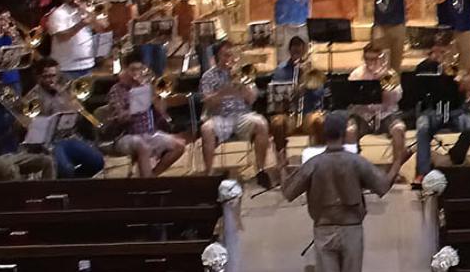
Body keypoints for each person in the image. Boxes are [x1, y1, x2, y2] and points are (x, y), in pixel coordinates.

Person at [280, 111, 402, 272]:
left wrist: (282, 166)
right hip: (352, 229)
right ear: (345, 133)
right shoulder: (355, 161)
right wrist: (398, 162)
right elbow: (382, 186)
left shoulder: (314, 163)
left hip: (323, 230)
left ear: (324, 134)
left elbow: (288, 192)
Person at [198, 40, 276, 184]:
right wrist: (222, 92)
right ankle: (208, 174)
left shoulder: (243, 72)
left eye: (231, 54)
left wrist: (243, 87)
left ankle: (260, 170)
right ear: (216, 58)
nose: (229, 58)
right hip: (219, 116)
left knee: (262, 123)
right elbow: (207, 102)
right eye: (225, 55)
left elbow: (252, 99)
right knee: (206, 129)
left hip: (242, 115)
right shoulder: (208, 76)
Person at [411, 31, 470, 182]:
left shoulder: (456, 68)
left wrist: (461, 80)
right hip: (433, 111)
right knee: (422, 127)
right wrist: (438, 71)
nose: (439, 54)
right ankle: (423, 172)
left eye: (442, 51)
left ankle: (454, 158)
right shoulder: (424, 67)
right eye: (436, 51)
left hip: (455, 111)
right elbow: (419, 93)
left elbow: (463, 95)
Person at [105, 52, 187, 177]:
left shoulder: (148, 87)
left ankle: (151, 177)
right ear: (125, 70)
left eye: (140, 69)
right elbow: (119, 119)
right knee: (142, 146)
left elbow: (163, 115)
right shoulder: (117, 90)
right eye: (132, 70)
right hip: (125, 136)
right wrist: (135, 106)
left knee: (179, 145)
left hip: (149, 132)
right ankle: (147, 184)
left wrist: (156, 99)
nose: (136, 73)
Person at [24, 56, 107, 178]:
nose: (51, 80)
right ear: (38, 77)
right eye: (46, 76)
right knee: (66, 169)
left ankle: (75, 184)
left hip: (69, 137)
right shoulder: (32, 98)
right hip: (49, 142)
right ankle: (67, 188)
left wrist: (72, 104)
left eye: (53, 76)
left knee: (97, 161)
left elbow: (76, 118)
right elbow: (30, 125)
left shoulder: (64, 91)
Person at [267, 36, 342, 161]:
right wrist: (292, 91)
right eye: (294, 50)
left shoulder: (312, 70)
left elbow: (321, 95)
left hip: (308, 114)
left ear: (304, 51)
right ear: (289, 51)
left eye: (300, 50)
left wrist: (307, 85)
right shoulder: (280, 70)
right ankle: (281, 160)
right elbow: (275, 94)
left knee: (320, 121)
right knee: (277, 123)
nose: (297, 53)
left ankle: (321, 158)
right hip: (288, 115)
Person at [346, 43, 409, 167]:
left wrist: (383, 81)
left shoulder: (389, 74)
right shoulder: (356, 74)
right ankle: (353, 168)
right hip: (363, 115)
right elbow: (350, 98)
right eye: (367, 59)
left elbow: (397, 97)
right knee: (349, 131)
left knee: (399, 129)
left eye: (374, 59)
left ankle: (395, 169)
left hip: (386, 115)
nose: (370, 63)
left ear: (380, 58)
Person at [0, 85, 53, 180]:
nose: (5, 97)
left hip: (16, 155)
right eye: (1, 94)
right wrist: (11, 132)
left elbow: (24, 139)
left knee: (48, 161)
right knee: (11, 169)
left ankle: (46, 192)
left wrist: (27, 128)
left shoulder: (10, 110)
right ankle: (20, 195)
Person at [46, 0, 106, 79]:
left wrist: (89, 14)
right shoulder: (58, 14)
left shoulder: (88, 10)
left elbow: (102, 28)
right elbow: (62, 37)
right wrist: (81, 24)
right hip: (67, 67)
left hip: (88, 65)